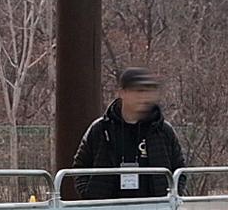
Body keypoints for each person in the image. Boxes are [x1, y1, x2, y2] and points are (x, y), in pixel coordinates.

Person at [72, 67, 187, 199]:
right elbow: (80, 166)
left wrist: (171, 195)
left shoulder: (163, 130)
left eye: (148, 91)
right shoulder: (101, 129)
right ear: (122, 92)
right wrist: (89, 194)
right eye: (138, 91)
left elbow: (179, 169)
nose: (143, 97)